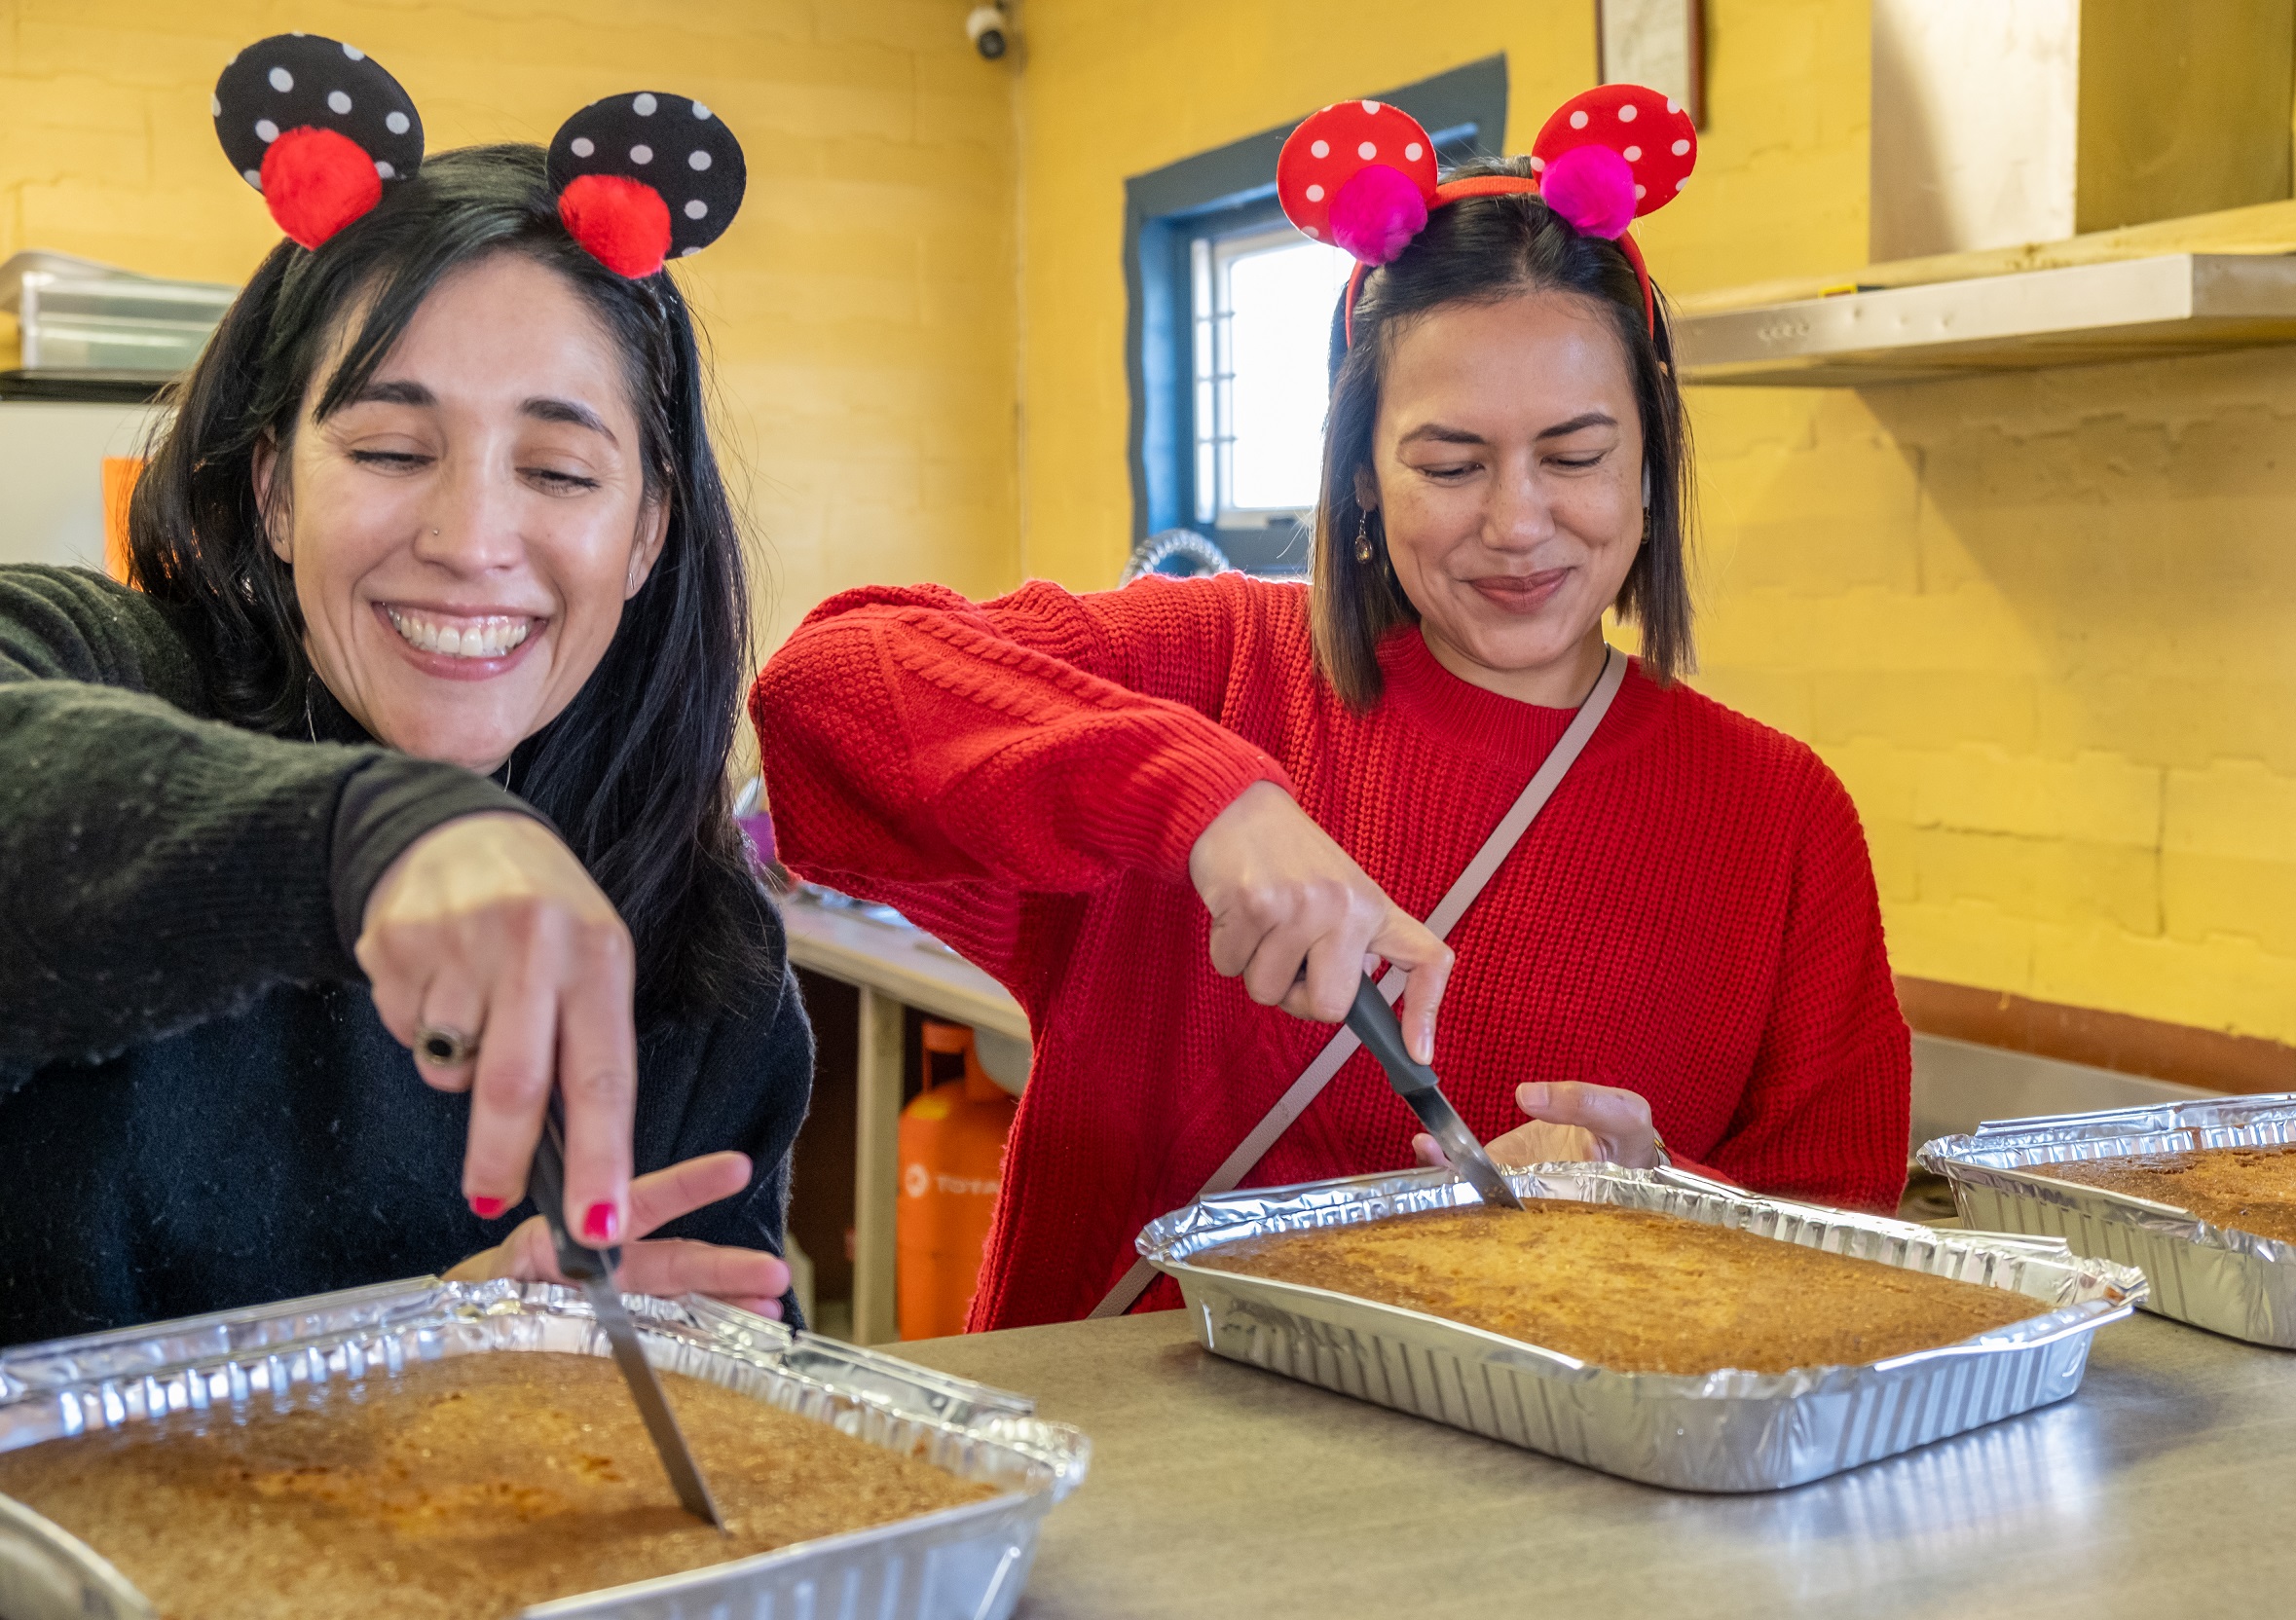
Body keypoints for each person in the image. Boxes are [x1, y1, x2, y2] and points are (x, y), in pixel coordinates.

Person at [750, 86, 1908, 1332]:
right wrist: (1208, 802)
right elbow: (824, 692)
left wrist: (1662, 1204)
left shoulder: (1780, 815)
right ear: (1360, 471)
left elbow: (1847, 1256)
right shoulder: (1220, 665)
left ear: (1649, 463)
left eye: (1574, 455)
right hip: (1148, 1483)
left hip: (1540, 1513)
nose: (1518, 522)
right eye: (1449, 464)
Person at [0, 37, 804, 1346]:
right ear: (272, 490)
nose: (470, 537)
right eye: (388, 447)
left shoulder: (693, 953)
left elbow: (730, 1406)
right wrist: (374, 835)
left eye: (557, 471)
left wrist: (483, 1359)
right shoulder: (100, 664)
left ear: (648, 531)